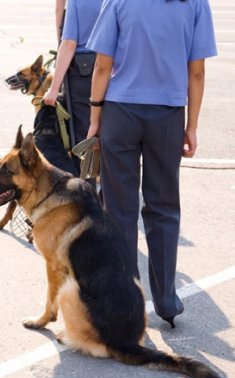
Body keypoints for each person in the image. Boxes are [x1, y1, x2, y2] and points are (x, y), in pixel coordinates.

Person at [87, 0, 217, 327]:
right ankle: (167, 301)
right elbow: (197, 71)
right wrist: (192, 126)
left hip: (120, 113)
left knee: (119, 209)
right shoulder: (195, 4)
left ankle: (126, 302)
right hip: (168, 116)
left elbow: (103, 65)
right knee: (163, 208)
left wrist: (94, 118)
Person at [43, 0, 104, 175]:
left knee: (85, 138)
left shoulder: (78, 3)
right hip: (116, 70)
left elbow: (68, 42)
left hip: (82, 71)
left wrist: (54, 88)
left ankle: (88, 190)